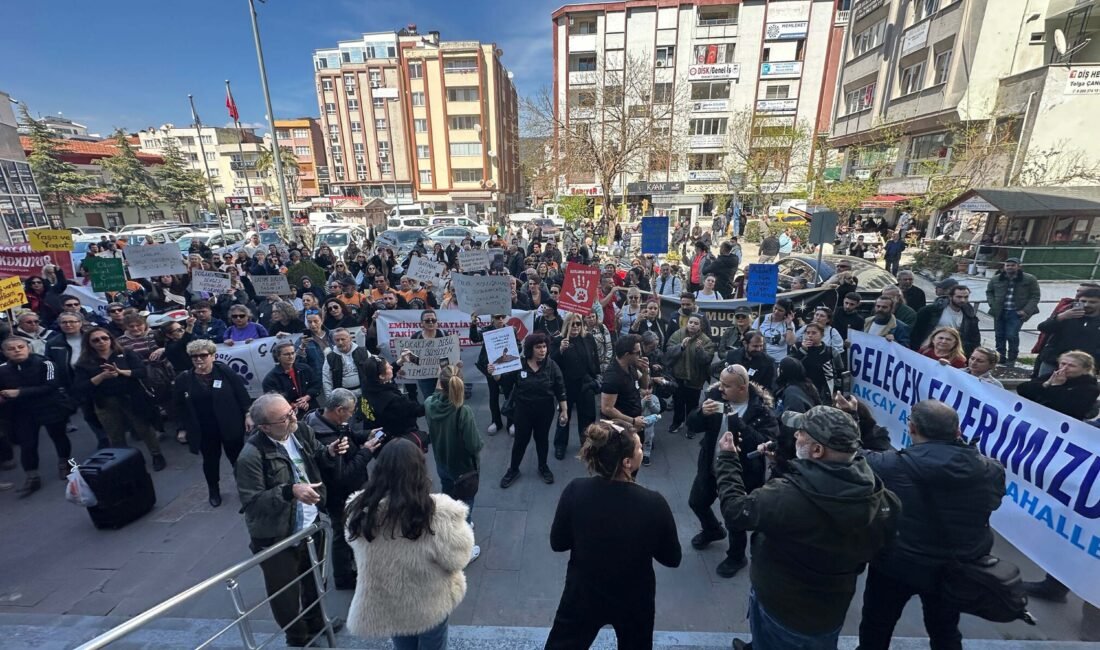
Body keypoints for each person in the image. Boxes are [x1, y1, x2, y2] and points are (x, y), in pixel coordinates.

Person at [718, 406, 900, 648]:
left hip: (780, 605)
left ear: (817, 450)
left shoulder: (786, 496)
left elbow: (736, 512)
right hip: (830, 608)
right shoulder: (885, 501)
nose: (795, 436)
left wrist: (728, 459)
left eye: (802, 433)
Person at [851, 398, 1005, 650]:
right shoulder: (991, 469)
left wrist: (862, 421)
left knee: (876, 628)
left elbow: (857, 455)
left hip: (897, 566)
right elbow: (993, 502)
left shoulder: (892, 467)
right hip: (956, 567)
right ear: (957, 431)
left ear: (911, 429)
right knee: (945, 629)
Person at [544, 421, 681, 649]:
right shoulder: (653, 503)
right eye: (639, 447)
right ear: (627, 463)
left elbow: (558, 543)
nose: (642, 449)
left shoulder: (575, 490)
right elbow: (672, 558)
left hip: (584, 592)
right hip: (634, 596)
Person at [235, 393, 348, 648]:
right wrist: (290, 491)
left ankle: (318, 623)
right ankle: (298, 639)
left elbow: (317, 454)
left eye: (291, 411)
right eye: (284, 417)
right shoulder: (250, 457)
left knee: (316, 581)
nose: (293, 417)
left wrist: (329, 451)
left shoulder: (300, 430)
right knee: (285, 595)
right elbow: (252, 503)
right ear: (264, 427)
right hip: (277, 537)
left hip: (310, 526)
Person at [345, 438, 474, 650]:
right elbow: (458, 559)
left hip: (390, 602)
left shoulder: (358, 511)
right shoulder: (438, 513)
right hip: (429, 602)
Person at [688, 364, 779, 579]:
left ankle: (737, 557)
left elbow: (765, 442)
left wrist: (737, 423)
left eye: (727, 386)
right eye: (720, 383)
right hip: (711, 464)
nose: (721, 389)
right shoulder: (715, 396)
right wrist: (701, 413)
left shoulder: (761, 411)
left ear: (742, 387)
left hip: (742, 473)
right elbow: (693, 425)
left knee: (735, 518)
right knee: (697, 502)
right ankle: (712, 529)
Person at [303, 388, 378, 590]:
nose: (353, 415)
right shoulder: (326, 438)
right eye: (351, 411)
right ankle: (343, 576)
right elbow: (343, 474)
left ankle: (350, 566)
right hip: (340, 496)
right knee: (342, 534)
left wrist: (366, 435)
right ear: (339, 410)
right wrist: (366, 452)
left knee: (347, 531)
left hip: (346, 494)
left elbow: (350, 435)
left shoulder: (326, 421)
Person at [73, 327, 165, 471]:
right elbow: (81, 387)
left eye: (104, 338)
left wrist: (121, 372)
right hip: (105, 402)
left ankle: (157, 455)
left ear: (111, 339)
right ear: (89, 343)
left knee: (144, 428)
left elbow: (141, 372)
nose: (101, 342)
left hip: (131, 397)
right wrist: (102, 376)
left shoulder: (125, 353)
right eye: (95, 340)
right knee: (115, 434)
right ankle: (125, 462)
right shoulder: (84, 362)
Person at [173, 339, 251, 507]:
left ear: (213, 356)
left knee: (238, 458)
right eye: (194, 356)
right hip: (204, 428)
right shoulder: (184, 379)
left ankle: (245, 487)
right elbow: (178, 407)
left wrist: (248, 414)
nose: (199, 359)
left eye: (203, 355)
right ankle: (214, 490)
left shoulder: (225, 371)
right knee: (210, 461)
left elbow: (241, 393)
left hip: (230, 423)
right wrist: (181, 428)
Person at [425, 363, 483, 561]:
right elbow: (474, 444)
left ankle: (450, 527)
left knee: (449, 497)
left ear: (440, 384)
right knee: (465, 505)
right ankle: (463, 549)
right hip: (464, 468)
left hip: (442, 462)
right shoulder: (463, 411)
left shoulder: (429, 403)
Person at [0, 337, 71, 497]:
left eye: (20, 347)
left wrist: (20, 392)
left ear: (28, 348)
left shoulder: (45, 363)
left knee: (58, 436)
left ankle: (65, 463)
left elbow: (51, 385)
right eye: (11, 349)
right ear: (4, 353)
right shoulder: (2, 370)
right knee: (27, 444)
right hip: (22, 412)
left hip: (49, 407)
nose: (17, 350)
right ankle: (32, 476)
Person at [495, 332, 567, 488]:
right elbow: (504, 382)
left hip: (544, 411)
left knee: (542, 440)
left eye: (544, 346)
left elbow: (560, 389)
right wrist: (495, 373)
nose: (542, 350)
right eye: (538, 347)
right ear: (530, 349)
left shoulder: (551, 365)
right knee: (521, 441)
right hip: (523, 411)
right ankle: (513, 469)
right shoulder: (519, 364)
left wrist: (564, 411)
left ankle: (543, 467)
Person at [552, 312, 601, 460]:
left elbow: (594, 357)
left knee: (587, 416)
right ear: (566, 325)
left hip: (585, 383)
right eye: (572, 324)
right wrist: (560, 350)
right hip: (566, 385)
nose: (575, 327)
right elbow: (551, 362)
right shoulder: (558, 340)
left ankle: (587, 445)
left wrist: (597, 375)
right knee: (563, 417)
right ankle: (560, 445)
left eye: (578, 323)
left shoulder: (588, 338)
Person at [665, 315, 715, 435]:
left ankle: (691, 427)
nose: (692, 325)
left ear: (701, 326)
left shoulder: (705, 340)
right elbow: (669, 351)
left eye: (696, 323)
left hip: (696, 379)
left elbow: (707, 359)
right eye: (690, 322)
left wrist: (700, 350)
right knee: (678, 402)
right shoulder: (678, 334)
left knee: (693, 405)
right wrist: (681, 347)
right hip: (678, 376)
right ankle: (677, 422)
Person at [1034, 286, 1100, 376]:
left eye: (1092, 302)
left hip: (1086, 364)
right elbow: (1043, 328)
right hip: (1054, 360)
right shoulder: (1067, 313)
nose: (1086, 305)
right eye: (1083, 301)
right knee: (1044, 386)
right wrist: (1061, 317)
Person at [986, 258, 1040, 366]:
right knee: (999, 335)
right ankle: (1000, 357)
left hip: (1017, 312)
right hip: (1000, 311)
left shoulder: (1029, 279)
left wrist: (1026, 310)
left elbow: (1035, 296)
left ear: (1019, 266)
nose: (1010, 267)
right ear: (1004, 267)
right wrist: (992, 304)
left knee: (1012, 335)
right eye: (1007, 265)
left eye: (1012, 265)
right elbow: (989, 292)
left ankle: (1012, 358)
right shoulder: (996, 279)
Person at [1017, 350, 1100, 421]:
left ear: (1085, 369)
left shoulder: (1089, 387)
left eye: (1071, 366)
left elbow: (1064, 407)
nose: (1064, 368)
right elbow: (1022, 389)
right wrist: (1046, 384)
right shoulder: (1052, 376)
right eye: (1063, 364)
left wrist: (1056, 386)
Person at [359, 355, 425, 440]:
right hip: (396, 441)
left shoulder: (367, 384)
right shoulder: (393, 401)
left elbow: (384, 375)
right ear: (381, 376)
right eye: (388, 367)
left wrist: (400, 362)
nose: (391, 366)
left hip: (376, 435)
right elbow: (418, 410)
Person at [910, 285, 980, 355]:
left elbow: (974, 340)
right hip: (926, 350)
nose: (962, 300)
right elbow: (915, 330)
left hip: (952, 353)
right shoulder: (931, 310)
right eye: (959, 297)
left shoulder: (970, 317)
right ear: (950, 296)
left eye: (966, 297)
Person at [261, 341, 322, 415]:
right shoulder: (270, 379)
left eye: (293, 353)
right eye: (287, 354)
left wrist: (307, 397)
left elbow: (316, 384)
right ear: (278, 356)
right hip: (289, 414)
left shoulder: (305, 368)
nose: (291, 356)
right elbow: (273, 400)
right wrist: (294, 405)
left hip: (312, 408)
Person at [322, 328, 370, 399]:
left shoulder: (363, 352)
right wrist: (330, 399)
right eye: (337, 340)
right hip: (343, 397)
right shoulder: (330, 357)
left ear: (350, 339)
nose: (340, 342)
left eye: (343, 339)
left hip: (364, 393)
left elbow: (373, 371)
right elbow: (327, 380)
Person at [752, 299, 795, 364]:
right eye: (775, 308)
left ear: (787, 313)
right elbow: (751, 337)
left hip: (779, 361)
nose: (776, 311)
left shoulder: (789, 324)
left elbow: (790, 343)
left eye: (780, 310)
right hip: (760, 359)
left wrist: (789, 325)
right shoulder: (761, 319)